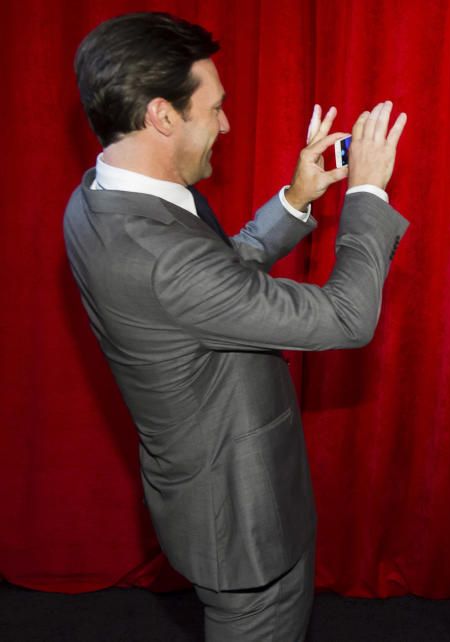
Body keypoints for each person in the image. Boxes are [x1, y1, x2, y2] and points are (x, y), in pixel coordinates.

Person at [63, 12, 408, 641]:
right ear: (163, 116)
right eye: (214, 108)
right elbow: (347, 318)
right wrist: (367, 196)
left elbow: (212, 285)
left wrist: (295, 199)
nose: (226, 124)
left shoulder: (99, 194)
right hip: (242, 521)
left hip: (225, 491)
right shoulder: (159, 255)